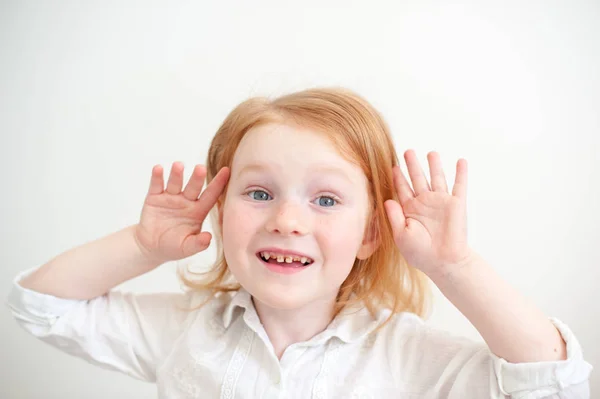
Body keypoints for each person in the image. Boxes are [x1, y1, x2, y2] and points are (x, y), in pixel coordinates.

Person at [6, 87, 592, 398]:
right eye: (259, 193)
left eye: (326, 199)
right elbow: (41, 304)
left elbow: (552, 386)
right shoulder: (184, 331)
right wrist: (142, 246)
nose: (287, 219)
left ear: (370, 234)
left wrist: (456, 266)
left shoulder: (409, 357)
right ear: (219, 206)